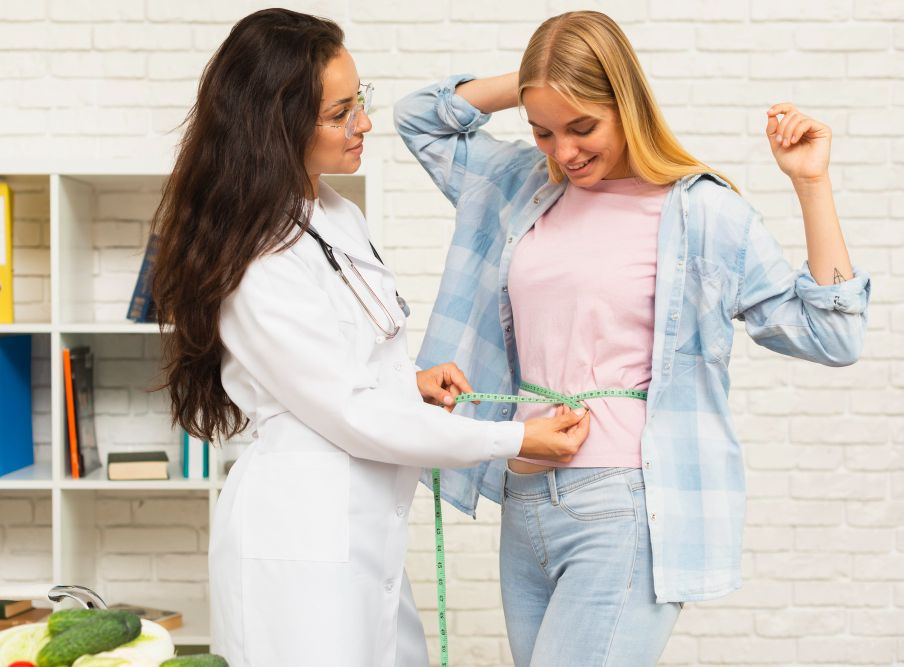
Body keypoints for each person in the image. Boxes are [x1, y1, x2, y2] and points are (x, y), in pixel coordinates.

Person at [395, 10, 870, 666]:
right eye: (542, 131)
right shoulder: (522, 185)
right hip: (524, 498)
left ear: (627, 101)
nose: (564, 151)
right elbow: (419, 116)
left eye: (582, 125)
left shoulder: (699, 212)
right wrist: (538, 80)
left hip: (622, 506)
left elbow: (832, 335)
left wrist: (811, 183)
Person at [149, 9, 590, 667]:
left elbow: (335, 367)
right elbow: (351, 411)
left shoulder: (334, 213)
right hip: (300, 538)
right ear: (278, 123)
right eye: (339, 113)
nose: (365, 124)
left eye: (361, 102)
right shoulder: (256, 258)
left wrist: (407, 381)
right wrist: (513, 438)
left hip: (362, 531)